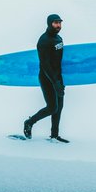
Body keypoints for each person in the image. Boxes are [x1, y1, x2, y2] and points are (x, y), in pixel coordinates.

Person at [23, 13, 68, 143]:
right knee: (52, 107)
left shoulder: (59, 38)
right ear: (49, 23)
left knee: (59, 107)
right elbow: (45, 65)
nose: (58, 25)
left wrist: (60, 80)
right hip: (47, 78)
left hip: (58, 77)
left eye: (59, 23)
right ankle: (29, 122)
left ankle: (54, 136)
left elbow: (59, 61)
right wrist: (55, 83)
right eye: (55, 23)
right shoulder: (43, 41)